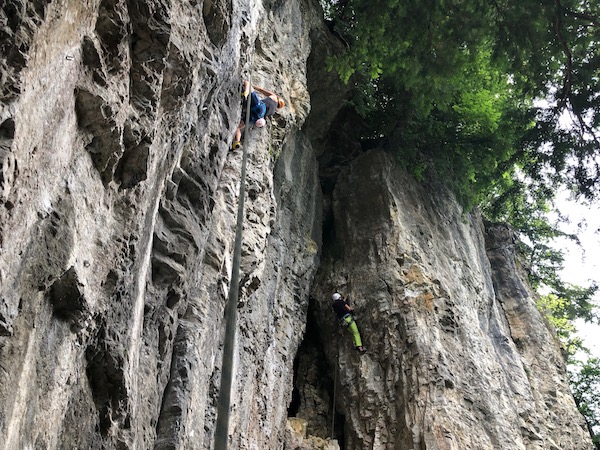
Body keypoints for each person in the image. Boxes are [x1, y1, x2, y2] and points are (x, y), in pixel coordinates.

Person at [232, 80, 285, 150]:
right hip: (258, 116)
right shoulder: (272, 111)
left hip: (260, 106)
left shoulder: (274, 97)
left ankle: (246, 92)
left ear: (278, 99)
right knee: (238, 127)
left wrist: (252, 86)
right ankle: (237, 142)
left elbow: (261, 90)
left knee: (247, 83)